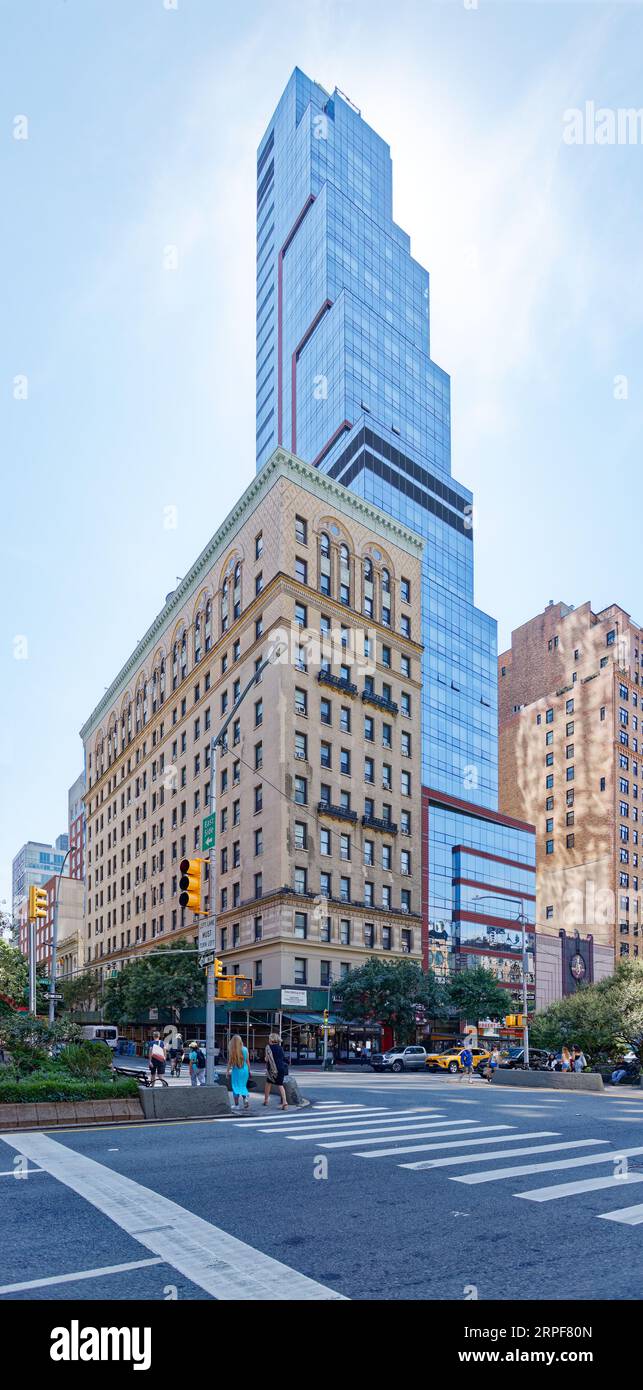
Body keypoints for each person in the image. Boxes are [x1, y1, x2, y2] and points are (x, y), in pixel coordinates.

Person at [264, 1032, 289, 1109]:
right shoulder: (280, 1048)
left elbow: (267, 1059)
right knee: (280, 1085)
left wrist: (265, 1059)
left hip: (272, 1069)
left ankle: (266, 1100)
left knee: (268, 1083)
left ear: (271, 1039)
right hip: (281, 1068)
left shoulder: (268, 1048)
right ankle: (284, 1102)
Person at [227, 1033, 251, 1112]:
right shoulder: (245, 1049)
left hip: (236, 1071)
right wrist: (249, 1071)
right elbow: (248, 1062)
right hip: (245, 1070)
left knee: (235, 1087)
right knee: (243, 1086)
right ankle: (245, 1099)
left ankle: (237, 1105)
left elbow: (230, 1062)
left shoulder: (233, 1050)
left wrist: (227, 1071)